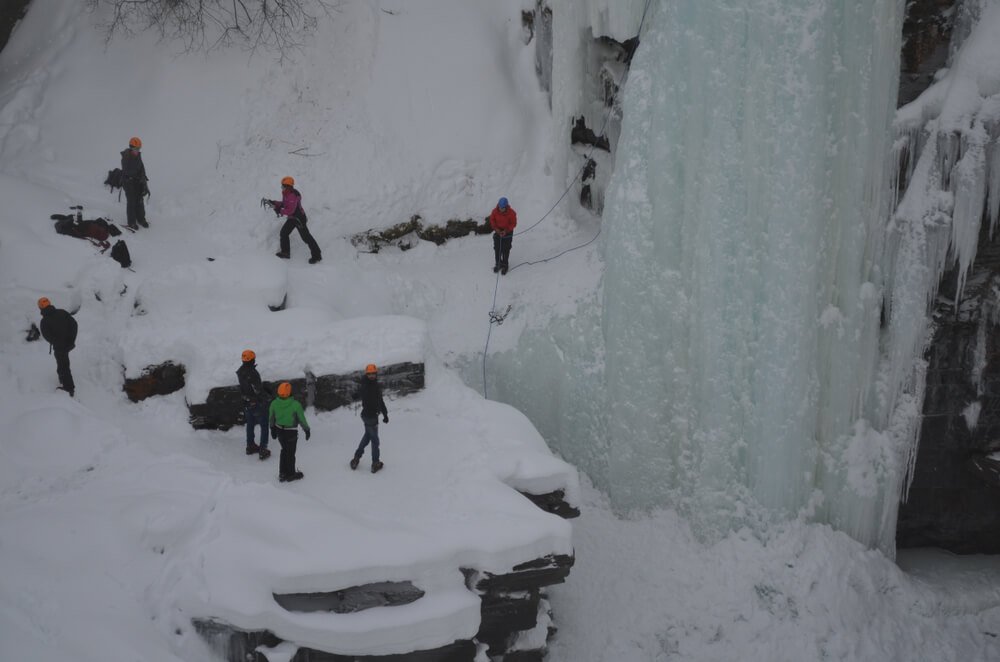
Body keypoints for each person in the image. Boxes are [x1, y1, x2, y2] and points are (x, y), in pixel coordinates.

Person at [267, 176, 322, 264]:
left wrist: (278, 210)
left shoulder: (292, 195)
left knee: (306, 237)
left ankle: (317, 255)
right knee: (284, 233)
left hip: (299, 219)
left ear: (288, 186)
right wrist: (275, 203)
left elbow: (290, 210)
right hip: (292, 218)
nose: (282, 187)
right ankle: (285, 252)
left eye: (283, 186)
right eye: (282, 186)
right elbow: (285, 204)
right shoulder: (286, 193)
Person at [350, 363, 389, 473]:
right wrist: (385, 414)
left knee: (367, 436)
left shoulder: (365, 384)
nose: (371, 375)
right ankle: (375, 462)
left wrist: (385, 414)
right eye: (369, 374)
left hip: (366, 416)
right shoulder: (373, 386)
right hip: (371, 417)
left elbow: (362, 393)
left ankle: (356, 458)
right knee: (375, 441)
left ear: (376, 374)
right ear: (367, 375)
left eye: (373, 374)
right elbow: (379, 402)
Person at [268, 381, 310, 482]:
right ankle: (291, 474)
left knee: (284, 450)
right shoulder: (295, 405)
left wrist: (272, 429)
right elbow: (301, 419)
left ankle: (282, 473)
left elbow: (271, 418)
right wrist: (307, 430)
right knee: (290, 453)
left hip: (279, 431)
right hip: (291, 432)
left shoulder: (274, 403)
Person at [37, 297, 78, 396]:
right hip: (68, 344)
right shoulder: (62, 312)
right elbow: (74, 324)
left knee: (63, 366)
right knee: (62, 364)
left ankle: (69, 388)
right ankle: (62, 379)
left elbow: (47, 336)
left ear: (40, 308)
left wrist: (57, 342)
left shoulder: (44, 321)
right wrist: (71, 339)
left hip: (60, 347)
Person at [236, 349, 271, 460]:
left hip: (246, 402)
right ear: (252, 359)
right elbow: (258, 390)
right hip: (257, 403)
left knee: (250, 424)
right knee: (264, 425)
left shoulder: (240, 371)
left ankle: (250, 446)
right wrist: (268, 398)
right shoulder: (253, 373)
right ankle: (263, 449)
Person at [121, 136, 149, 229]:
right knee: (131, 202)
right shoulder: (126, 157)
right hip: (128, 182)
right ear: (131, 147)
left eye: (139, 148)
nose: (137, 150)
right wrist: (137, 176)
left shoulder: (138, 156)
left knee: (139, 201)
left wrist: (144, 184)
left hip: (137, 182)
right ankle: (131, 222)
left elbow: (142, 169)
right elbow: (128, 171)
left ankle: (141, 219)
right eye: (136, 149)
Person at [489, 196, 517, 275]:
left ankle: (505, 265)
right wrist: (496, 229)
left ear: (506, 206)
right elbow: (492, 220)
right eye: (500, 207)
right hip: (498, 231)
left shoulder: (512, 213)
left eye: (503, 208)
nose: (501, 209)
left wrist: (506, 230)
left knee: (506, 249)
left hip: (507, 232)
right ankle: (498, 263)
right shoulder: (495, 211)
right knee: (497, 248)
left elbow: (513, 223)